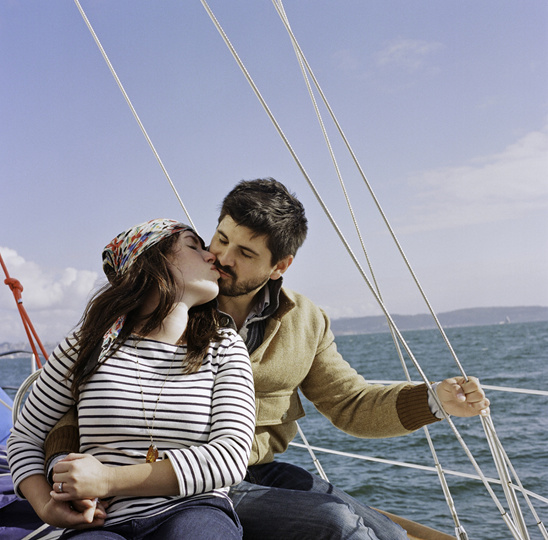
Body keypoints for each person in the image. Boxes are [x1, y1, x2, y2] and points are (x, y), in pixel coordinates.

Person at [45, 180, 490, 540]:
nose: (221, 258)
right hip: (187, 478)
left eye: (246, 253)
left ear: (280, 265)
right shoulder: (173, 303)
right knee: (339, 524)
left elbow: (350, 403)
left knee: (391, 536)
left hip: (260, 468)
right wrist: (70, 476)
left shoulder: (305, 320)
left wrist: (434, 401)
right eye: (220, 238)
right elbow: (70, 403)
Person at [7, 218, 256, 539]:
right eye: (193, 246)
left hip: (193, 509)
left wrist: (108, 479)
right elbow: (25, 438)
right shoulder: (86, 346)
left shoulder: (225, 346)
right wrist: (44, 506)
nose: (212, 256)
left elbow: (230, 457)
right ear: (151, 261)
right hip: (102, 522)